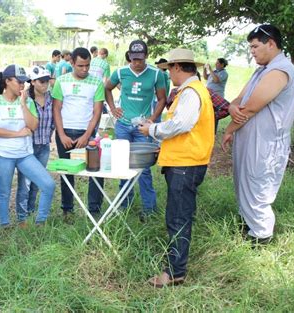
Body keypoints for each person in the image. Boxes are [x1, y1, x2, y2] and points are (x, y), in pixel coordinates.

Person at [139, 48, 215, 287]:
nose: (169, 74)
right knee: (179, 215)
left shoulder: (191, 92)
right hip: (185, 162)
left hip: (186, 164)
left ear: (178, 68)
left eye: (169, 69)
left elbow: (181, 124)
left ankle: (174, 272)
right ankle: (175, 267)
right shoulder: (192, 90)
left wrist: (152, 130)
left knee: (178, 218)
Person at [222, 24, 294, 245]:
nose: (252, 51)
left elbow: (252, 107)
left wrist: (229, 129)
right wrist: (231, 108)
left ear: (271, 44)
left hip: (266, 143)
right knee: (243, 181)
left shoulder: (280, 70)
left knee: (258, 187)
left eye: (255, 46)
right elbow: (238, 100)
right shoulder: (262, 70)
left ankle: (261, 237)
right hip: (249, 139)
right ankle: (248, 225)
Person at [0, 64, 55, 227]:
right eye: (19, 82)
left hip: (24, 154)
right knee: (4, 192)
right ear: (7, 81)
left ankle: (40, 222)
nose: (22, 85)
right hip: (3, 155)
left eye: (24, 82)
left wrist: (23, 104)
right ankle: (5, 225)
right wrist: (17, 134)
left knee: (48, 184)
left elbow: (33, 126)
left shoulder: (28, 101)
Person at [105, 40, 167, 221]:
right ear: (129, 57)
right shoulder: (120, 72)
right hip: (123, 125)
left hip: (143, 128)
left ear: (146, 56)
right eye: (133, 59)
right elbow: (107, 88)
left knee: (144, 168)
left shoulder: (156, 75)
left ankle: (149, 209)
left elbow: (162, 99)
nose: (136, 63)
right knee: (122, 164)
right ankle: (125, 204)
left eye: (140, 59)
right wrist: (112, 108)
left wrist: (152, 120)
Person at [52, 47, 105, 220]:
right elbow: (57, 109)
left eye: (87, 65)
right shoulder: (61, 81)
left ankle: (94, 210)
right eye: (81, 65)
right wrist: (61, 135)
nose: (85, 69)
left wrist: (86, 136)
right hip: (65, 133)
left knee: (95, 171)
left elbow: (97, 112)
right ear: (72, 63)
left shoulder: (96, 82)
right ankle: (68, 209)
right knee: (67, 172)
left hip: (87, 133)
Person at [16, 66, 54, 217]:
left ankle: (31, 209)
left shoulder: (51, 98)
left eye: (47, 81)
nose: (45, 84)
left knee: (38, 182)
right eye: (41, 81)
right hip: (28, 146)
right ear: (32, 82)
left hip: (44, 145)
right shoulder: (26, 100)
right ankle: (22, 214)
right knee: (25, 183)